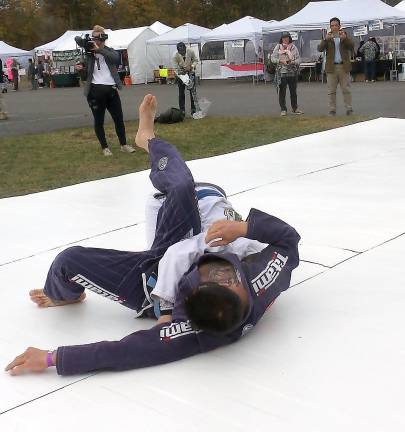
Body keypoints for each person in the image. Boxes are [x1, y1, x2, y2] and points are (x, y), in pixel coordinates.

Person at [5, 94, 300, 376]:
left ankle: (63, 295)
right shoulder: (262, 281)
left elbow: (127, 351)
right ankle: (147, 138)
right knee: (183, 186)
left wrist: (51, 358)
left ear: (190, 291)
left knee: (67, 261)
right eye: (227, 275)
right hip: (195, 224)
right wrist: (244, 227)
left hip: (153, 278)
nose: (221, 272)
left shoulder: (192, 331)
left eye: (210, 274)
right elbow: (289, 240)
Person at [75, 25, 135, 156]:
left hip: (111, 90)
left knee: (118, 119)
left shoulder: (109, 51)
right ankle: (105, 147)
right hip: (95, 91)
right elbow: (85, 76)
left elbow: (115, 59)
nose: (96, 41)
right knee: (99, 121)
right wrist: (80, 69)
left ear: (103, 39)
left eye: (99, 38)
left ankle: (123, 145)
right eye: (94, 38)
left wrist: (100, 50)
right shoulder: (88, 54)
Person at [318, 17, 354, 116]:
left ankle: (349, 108)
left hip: (343, 67)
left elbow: (352, 46)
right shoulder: (328, 36)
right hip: (331, 67)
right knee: (331, 91)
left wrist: (345, 39)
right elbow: (320, 49)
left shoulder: (344, 35)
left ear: (339, 26)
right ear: (330, 27)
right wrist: (325, 39)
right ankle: (332, 109)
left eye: (336, 25)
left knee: (346, 89)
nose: (334, 27)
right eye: (332, 26)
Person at [271, 31, 303, 116]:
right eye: (284, 38)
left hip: (292, 72)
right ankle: (283, 109)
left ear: (289, 38)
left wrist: (292, 62)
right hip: (281, 72)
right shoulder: (278, 47)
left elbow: (299, 60)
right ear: (281, 39)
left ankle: (295, 109)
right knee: (282, 92)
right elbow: (272, 58)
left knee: (293, 92)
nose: (285, 39)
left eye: (287, 38)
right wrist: (280, 61)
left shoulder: (294, 47)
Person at [173, 42, 198, 117]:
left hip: (190, 72)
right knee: (181, 93)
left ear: (185, 48)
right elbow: (175, 68)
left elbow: (196, 60)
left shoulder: (190, 51)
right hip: (181, 75)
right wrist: (180, 73)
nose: (182, 53)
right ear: (178, 51)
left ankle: (193, 110)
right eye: (181, 52)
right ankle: (182, 111)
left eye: (183, 51)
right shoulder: (175, 56)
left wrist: (192, 66)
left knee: (192, 92)